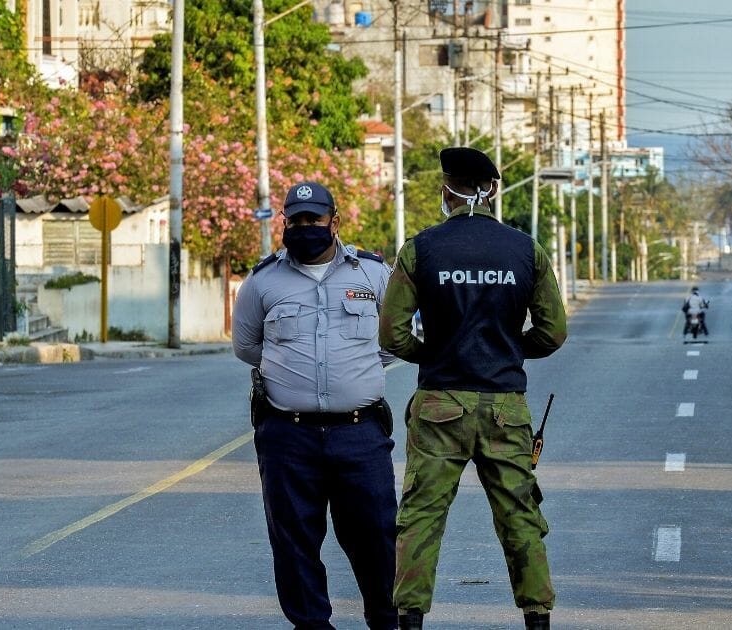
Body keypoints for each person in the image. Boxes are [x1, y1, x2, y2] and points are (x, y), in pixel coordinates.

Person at [378, 147, 567, 630]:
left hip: (440, 403)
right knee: (519, 516)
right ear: (493, 190)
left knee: (421, 515)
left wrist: (439, 353)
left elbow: (392, 335)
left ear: (446, 190)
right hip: (506, 407)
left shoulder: (421, 249)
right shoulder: (527, 251)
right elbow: (553, 332)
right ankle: (537, 618)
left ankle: (410, 619)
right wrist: (508, 348)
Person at [232, 181, 398, 630]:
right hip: (289, 435)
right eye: (297, 220)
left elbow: (392, 343)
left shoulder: (374, 275)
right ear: (285, 222)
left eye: (314, 220)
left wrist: (351, 375)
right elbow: (248, 346)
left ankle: (386, 622)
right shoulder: (263, 280)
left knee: (378, 539)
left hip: (360, 433)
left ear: (334, 222)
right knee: (294, 542)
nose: (305, 228)